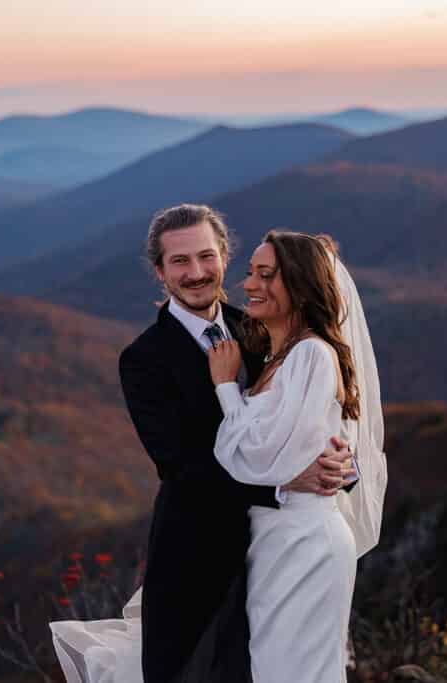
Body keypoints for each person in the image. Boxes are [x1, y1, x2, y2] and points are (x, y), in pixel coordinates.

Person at [51, 205, 358, 683]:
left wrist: (342, 462)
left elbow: (309, 413)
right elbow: (180, 466)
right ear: (159, 271)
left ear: (224, 256)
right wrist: (281, 487)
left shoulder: (260, 329)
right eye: (179, 262)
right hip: (196, 554)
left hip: (282, 552)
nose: (196, 273)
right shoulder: (143, 360)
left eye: (206, 257)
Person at [207, 230, 386, 682]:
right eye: (250, 272)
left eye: (266, 275)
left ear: (303, 286)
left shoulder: (311, 355)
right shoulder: (278, 356)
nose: (248, 284)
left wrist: (226, 387)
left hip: (305, 540)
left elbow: (253, 456)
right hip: (279, 540)